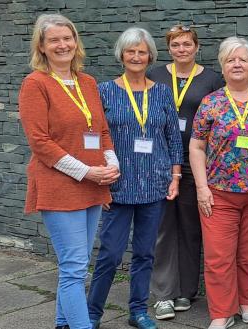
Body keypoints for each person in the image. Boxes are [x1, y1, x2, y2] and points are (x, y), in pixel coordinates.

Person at [19, 14, 119, 329]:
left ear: (76, 42)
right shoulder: (35, 83)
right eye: (54, 40)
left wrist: (111, 163)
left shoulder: (87, 82)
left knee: (76, 265)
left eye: (68, 38)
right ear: (42, 46)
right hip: (59, 185)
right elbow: (40, 142)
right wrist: (87, 172)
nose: (63, 45)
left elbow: (101, 130)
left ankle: (64, 323)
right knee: (74, 268)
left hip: (92, 183)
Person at [86, 27, 182, 329]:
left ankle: (138, 311)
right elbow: (93, 137)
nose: (137, 56)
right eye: (131, 51)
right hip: (117, 185)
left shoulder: (162, 92)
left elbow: (172, 138)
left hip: (154, 186)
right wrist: (96, 180)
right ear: (122, 55)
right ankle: (92, 313)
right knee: (110, 255)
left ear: (150, 55)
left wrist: (175, 175)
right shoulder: (105, 91)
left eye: (142, 51)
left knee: (145, 253)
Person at [189, 36, 248, 329]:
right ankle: (221, 313)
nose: (236, 64)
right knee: (218, 257)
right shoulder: (210, 102)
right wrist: (201, 188)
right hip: (218, 194)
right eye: (230, 59)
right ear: (222, 68)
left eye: (242, 59)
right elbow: (196, 146)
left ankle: (246, 301)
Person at [146, 24, 225, 320]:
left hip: (197, 166)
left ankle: (186, 291)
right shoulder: (154, 76)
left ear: (196, 46)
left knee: (192, 229)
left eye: (187, 44)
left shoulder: (211, 79)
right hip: (161, 163)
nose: (182, 49)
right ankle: (164, 294)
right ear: (169, 48)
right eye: (176, 45)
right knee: (163, 229)